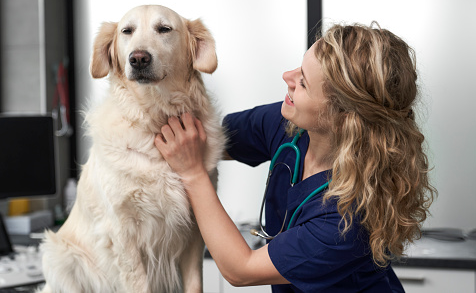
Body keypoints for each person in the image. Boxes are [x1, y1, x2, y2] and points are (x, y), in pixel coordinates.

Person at [155, 22, 436, 292]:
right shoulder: (290, 127)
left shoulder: (346, 219)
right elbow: (199, 139)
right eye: (299, 67)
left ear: (340, 117)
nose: (287, 77)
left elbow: (241, 269)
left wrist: (192, 174)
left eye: (302, 82)